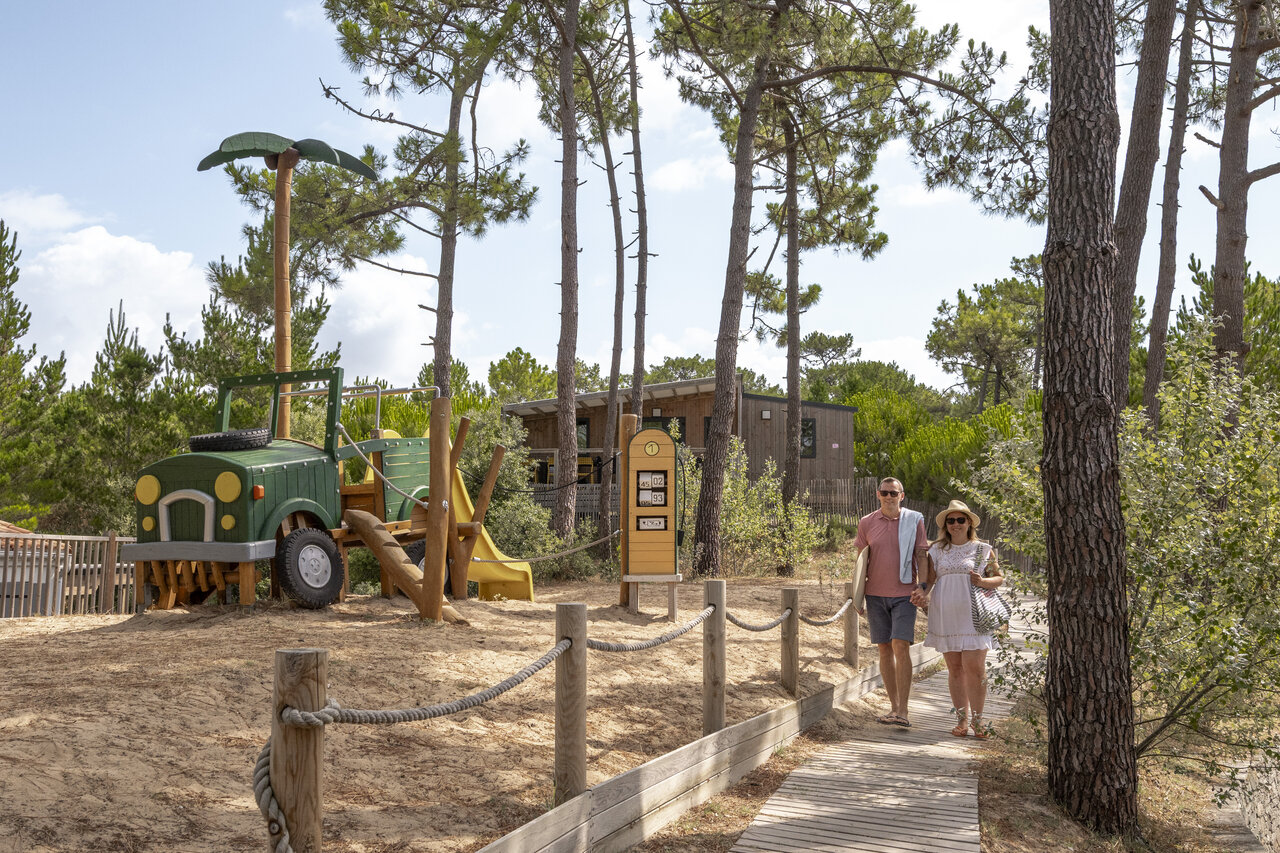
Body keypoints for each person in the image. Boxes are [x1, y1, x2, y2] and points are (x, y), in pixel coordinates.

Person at [913, 499, 1004, 739]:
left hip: (975, 616)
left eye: (960, 520)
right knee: (954, 669)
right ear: (945, 525)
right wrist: (922, 593)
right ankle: (961, 721)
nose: (955, 524)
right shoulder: (936, 550)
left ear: (969, 523)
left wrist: (983, 581)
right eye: (950, 520)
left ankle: (979, 721)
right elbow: (930, 579)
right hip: (945, 614)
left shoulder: (983, 549)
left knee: (974, 668)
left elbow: (999, 579)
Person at [852, 477, 929, 728]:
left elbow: (921, 554)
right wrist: (857, 594)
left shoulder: (914, 520)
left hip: (904, 593)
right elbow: (861, 561)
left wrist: (923, 586)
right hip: (875, 595)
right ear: (878, 494)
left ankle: (904, 710)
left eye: (893, 493)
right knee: (884, 648)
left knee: (900, 645)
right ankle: (893, 707)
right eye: (885, 493)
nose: (889, 497)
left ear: (902, 496)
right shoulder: (866, 522)